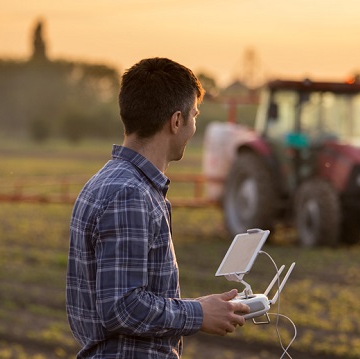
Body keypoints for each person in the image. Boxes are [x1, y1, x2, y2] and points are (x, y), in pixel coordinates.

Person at [66, 57, 250, 358]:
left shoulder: (111, 182)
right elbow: (122, 307)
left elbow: (130, 299)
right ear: (176, 122)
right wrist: (197, 314)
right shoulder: (130, 194)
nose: (193, 127)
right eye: (194, 115)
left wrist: (200, 307)